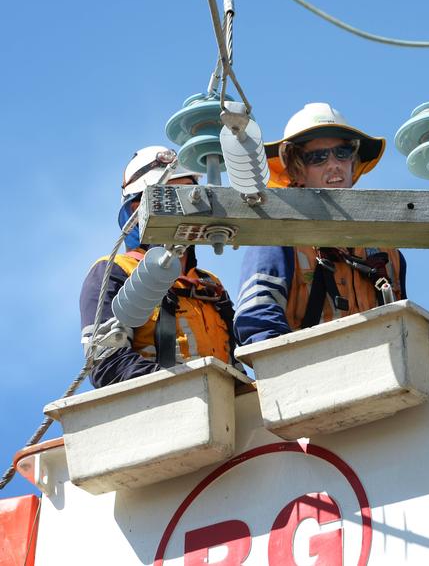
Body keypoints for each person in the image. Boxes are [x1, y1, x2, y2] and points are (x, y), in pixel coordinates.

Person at [234, 103, 407, 345]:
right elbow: (257, 321)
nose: (334, 164)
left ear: (353, 161)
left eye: (343, 153)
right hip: (309, 373)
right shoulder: (278, 238)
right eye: (318, 157)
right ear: (298, 170)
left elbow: (404, 326)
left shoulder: (386, 250)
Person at [80, 146, 235, 388]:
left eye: (192, 195)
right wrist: (185, 384)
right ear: (137, 210)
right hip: (163, 409)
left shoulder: (210, 285)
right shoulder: (116, 271)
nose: (188, 205)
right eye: (174, 195)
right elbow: (106, 365)